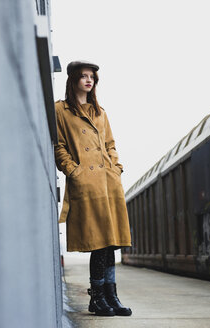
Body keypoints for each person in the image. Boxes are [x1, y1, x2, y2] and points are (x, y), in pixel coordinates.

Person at [54, 60, 132, 316]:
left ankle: (112, 296)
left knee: (111, 243)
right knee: (99, 241)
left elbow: (110, 143)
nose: (89, 80)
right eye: (84, 76)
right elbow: (59, 146)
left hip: (108, 182)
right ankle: (96, 297)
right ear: (74, 79)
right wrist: (74, 172)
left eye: (92, 77)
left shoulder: (100, 111)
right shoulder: (61, 110)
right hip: (86, 183)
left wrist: (116, 168)